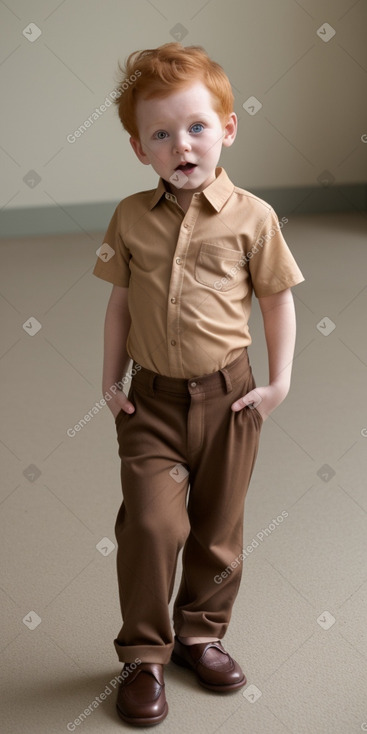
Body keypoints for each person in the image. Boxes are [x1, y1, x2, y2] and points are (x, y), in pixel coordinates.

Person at [93, 42, 305, 727]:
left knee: (217, 530)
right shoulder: (129, 217)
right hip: (150, 401)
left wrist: (277, 384)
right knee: (152, 524)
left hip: (230, 398)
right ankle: (144, 654)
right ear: (138, 148)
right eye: (160, 133)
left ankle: (200, 635)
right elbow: (120, 301)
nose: (180, 144)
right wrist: (110, 378)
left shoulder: (253, 217)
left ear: (226, 129)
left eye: (195, 127)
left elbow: (276, 300)